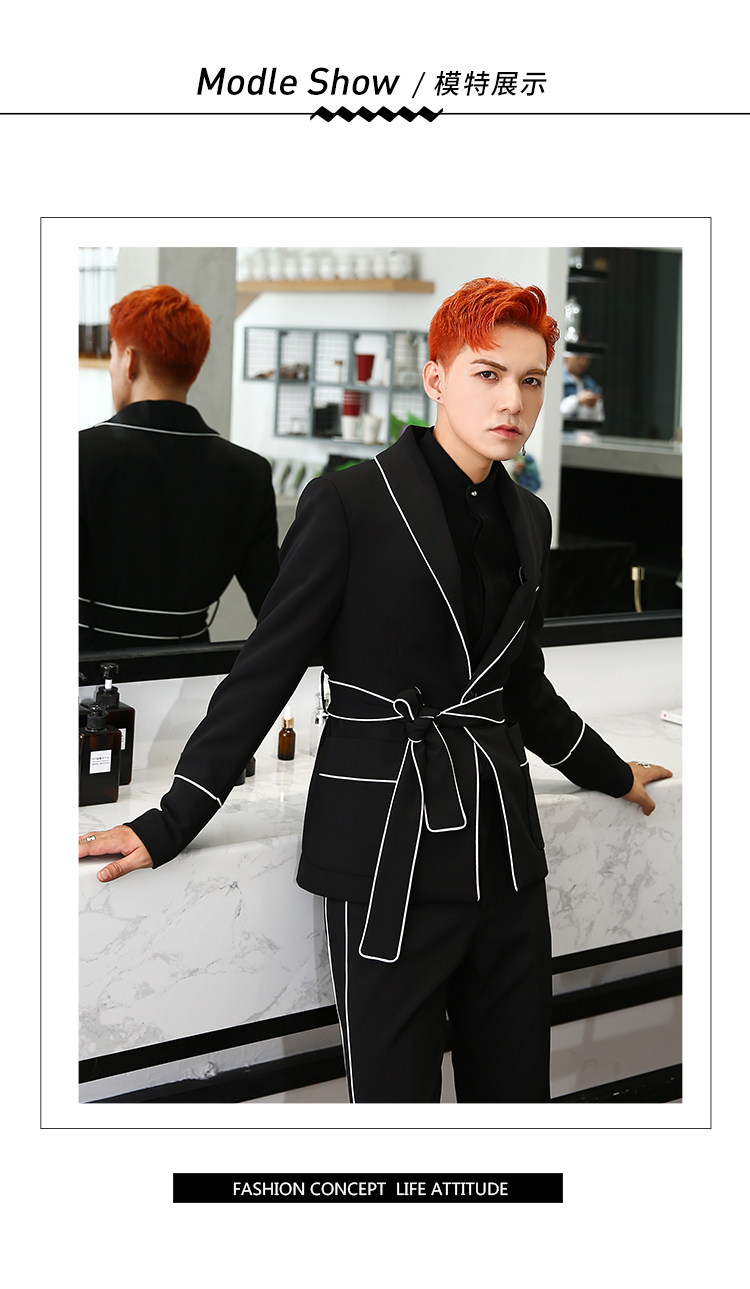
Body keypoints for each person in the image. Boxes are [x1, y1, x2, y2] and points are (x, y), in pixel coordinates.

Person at [79, 278, 671, 1104]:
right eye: (488, 374)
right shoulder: (350, 502)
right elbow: (263, 670)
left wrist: (611, 771)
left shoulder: (530, 518)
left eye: (532, 380)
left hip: (505, 860)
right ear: (436, 378)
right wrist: (169, 820)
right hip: (388, 852)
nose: (512, 400)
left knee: (518, 1110)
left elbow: (522, 687)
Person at [79, 284, 279, 649]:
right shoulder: (249, 471)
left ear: (129, 361)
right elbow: (277, 605)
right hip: (191, 668)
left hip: (88, 669)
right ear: (193, 369)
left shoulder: (77, 454)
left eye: (111, 354)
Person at [560, 349, 604, 421]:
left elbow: (599, 417)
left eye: (587, 359)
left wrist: (595, 406)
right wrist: (577, 400)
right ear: (567, 357)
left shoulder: (591, 384)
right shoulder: (558, 381)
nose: (583, 362)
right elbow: (554, 413)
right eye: (578, 357)